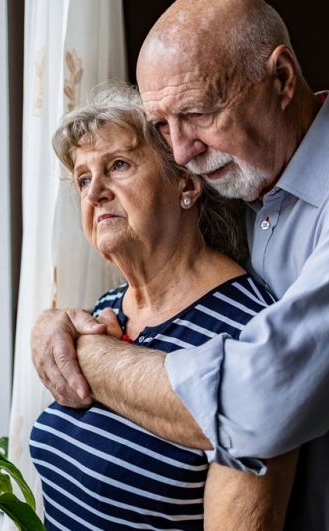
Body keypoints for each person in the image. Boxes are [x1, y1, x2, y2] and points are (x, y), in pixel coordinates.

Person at [30, 1, 329, 529]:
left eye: (197, 114)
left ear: (281, 79)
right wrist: (51, 322)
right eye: (162, 125)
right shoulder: (245, 190)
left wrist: (86, 355)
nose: (182, 150)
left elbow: (261, 402)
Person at [29, 82, 298, 531]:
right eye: (82, 178)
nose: (94, 191)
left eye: (117, 165)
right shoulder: (107, 310)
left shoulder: (250, 330)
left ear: (187, 184)